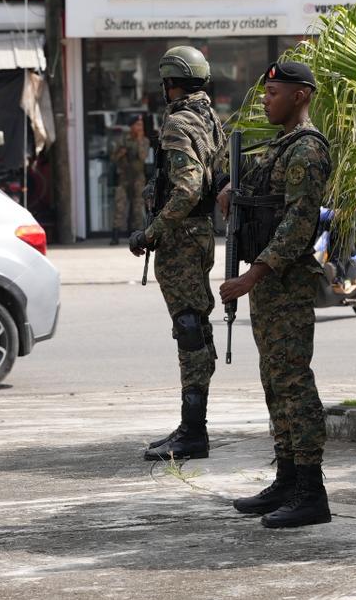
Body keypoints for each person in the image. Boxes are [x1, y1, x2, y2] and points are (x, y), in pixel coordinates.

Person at [219, 61, 332, 529]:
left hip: (285, 282)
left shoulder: (307, 148)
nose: (265, 100)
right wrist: (232, 192)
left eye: (274, 92)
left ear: (300, 95)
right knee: (274, 381)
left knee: (294, 383)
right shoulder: (279, 147)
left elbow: (299, 223)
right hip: (268, 284)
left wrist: (253, 275)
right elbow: (263, 202)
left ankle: (311, 490)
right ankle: (287, 479)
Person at [129, 46, 225, 461]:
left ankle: (193, 432)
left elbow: (187, 188)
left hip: (181, 238)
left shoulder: (179, 122)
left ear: (170, 82)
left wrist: (152, 232)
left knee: (189, 328)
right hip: (199, 234)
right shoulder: (209, 117)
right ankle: (191, 427)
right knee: (196, 326)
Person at [110, 115, 150, 246]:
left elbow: (143, 157)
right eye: (137, 125)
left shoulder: (144, 141)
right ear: (131, 126)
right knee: (120, 206)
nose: (140, 127)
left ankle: (136, 235)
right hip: (124, 177)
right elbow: (113, 158)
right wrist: (120, 154)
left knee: (137, 207)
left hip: (138, 178)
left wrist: (139, 140)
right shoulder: (122, 140)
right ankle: (115, 235)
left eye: (141, 125)